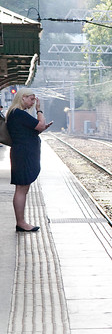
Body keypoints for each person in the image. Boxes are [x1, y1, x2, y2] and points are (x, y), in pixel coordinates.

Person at [6, 88, 52, 232]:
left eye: (34, 100)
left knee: (23, 188)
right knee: (21, 188)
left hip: (22, 153)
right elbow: (40, 125)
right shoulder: (18, 113)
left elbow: (37, 128)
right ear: (23, 98)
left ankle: (21, 221)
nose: (33, 102)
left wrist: (41, 126)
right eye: (31, 99)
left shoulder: (16, 114)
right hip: (24, 154)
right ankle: (21, 222)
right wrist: (39, 111)